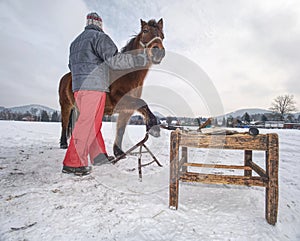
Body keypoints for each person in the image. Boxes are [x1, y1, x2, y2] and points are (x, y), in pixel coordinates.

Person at [62, 12, 149, 176]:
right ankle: (73, 162)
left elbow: (70, 65)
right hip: (94, 87)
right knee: (87, 123)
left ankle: (98, 156)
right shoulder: (100, 38)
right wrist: (135, 60)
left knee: (92, 122)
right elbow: (114, 60)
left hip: (78, 87)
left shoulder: (75, 43)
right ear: (99, 24)